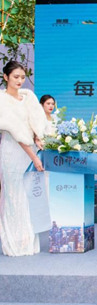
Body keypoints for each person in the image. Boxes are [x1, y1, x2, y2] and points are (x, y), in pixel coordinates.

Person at [0, 61, 47, 256]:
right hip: (13, 151)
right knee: (14, 196)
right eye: (15, 77)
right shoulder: (2, 100)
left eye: (22, 77)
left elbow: (34, 124)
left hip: (30, 151)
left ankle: (28, 241)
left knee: (28, 196)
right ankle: (14, 243)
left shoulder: (28, 97)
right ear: (6, 77)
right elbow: (16, 132)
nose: (19, 80)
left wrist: (38, 138)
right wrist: (34, 157)